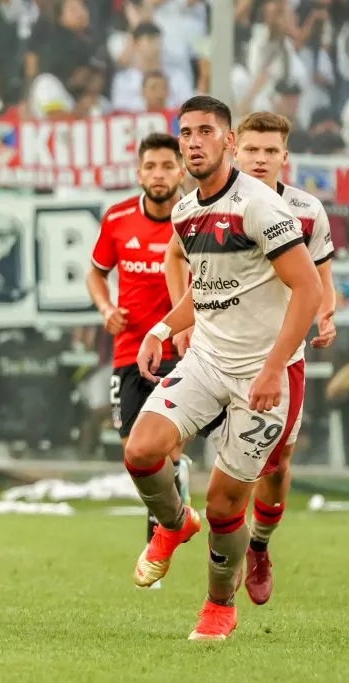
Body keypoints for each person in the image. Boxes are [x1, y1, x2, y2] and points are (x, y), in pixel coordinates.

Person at [126, 96, 322, 641]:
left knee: (224, 504)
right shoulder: (186, 211)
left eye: (206, 132)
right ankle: (173, 525)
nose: (194, 142)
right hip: (208, 360)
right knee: (141, 450)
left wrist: (273, 369)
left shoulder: (260, 207)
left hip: (266, 373)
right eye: (186, 133)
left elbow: (308, 289)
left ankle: (218, 605)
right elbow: (209, 288)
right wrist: (161, 329)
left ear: (228, 141)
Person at [162, 110, 337, 607]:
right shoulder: (209, 204)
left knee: (276, 466)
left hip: (277, 359)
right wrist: (180, 319)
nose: (261, 159)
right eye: (253, 150)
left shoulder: (305, 210)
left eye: (271, 151)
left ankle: (258, 545)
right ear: (236, 149)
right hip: (216, 354)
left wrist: (325, 315)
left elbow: (319, 277)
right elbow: (177, 258)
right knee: (172, 445)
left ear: (285, 157)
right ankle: (187, 530)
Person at [85, 131, 192, 584]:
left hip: (180, 351)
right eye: (151, 166)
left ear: (181, 171)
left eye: (167, 166)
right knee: (134, 453)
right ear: (139, 173)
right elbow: (95, 273)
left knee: (163, 447)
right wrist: (106, 309)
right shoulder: (118, 218)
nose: (159, 174)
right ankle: (177, 504)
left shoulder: (196, 218)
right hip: (129, 352)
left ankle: (158, 541)